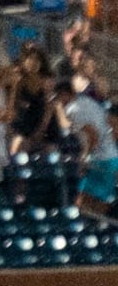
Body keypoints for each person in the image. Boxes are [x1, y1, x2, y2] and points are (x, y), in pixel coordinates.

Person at [56, 78, 118, 225]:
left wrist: (85, 158)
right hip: (109, 156)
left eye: (59, 97)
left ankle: (100, 230)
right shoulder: (86, 101)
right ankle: (98, 229)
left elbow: (92, 135)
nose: (58, 101)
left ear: (65, 94)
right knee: (92, 201)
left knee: (85, 202)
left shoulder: (74, 109)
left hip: (102, 159)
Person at [9, 46, 57, 156]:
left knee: (50, 151)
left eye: (37, 60)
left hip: (45, 124)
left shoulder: (47, 81)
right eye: (30, 59)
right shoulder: (19, 81)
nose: (34, 63)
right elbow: (12, 106)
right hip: (25, 123)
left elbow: (49, 108)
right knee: (18, 147)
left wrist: (41, 130)